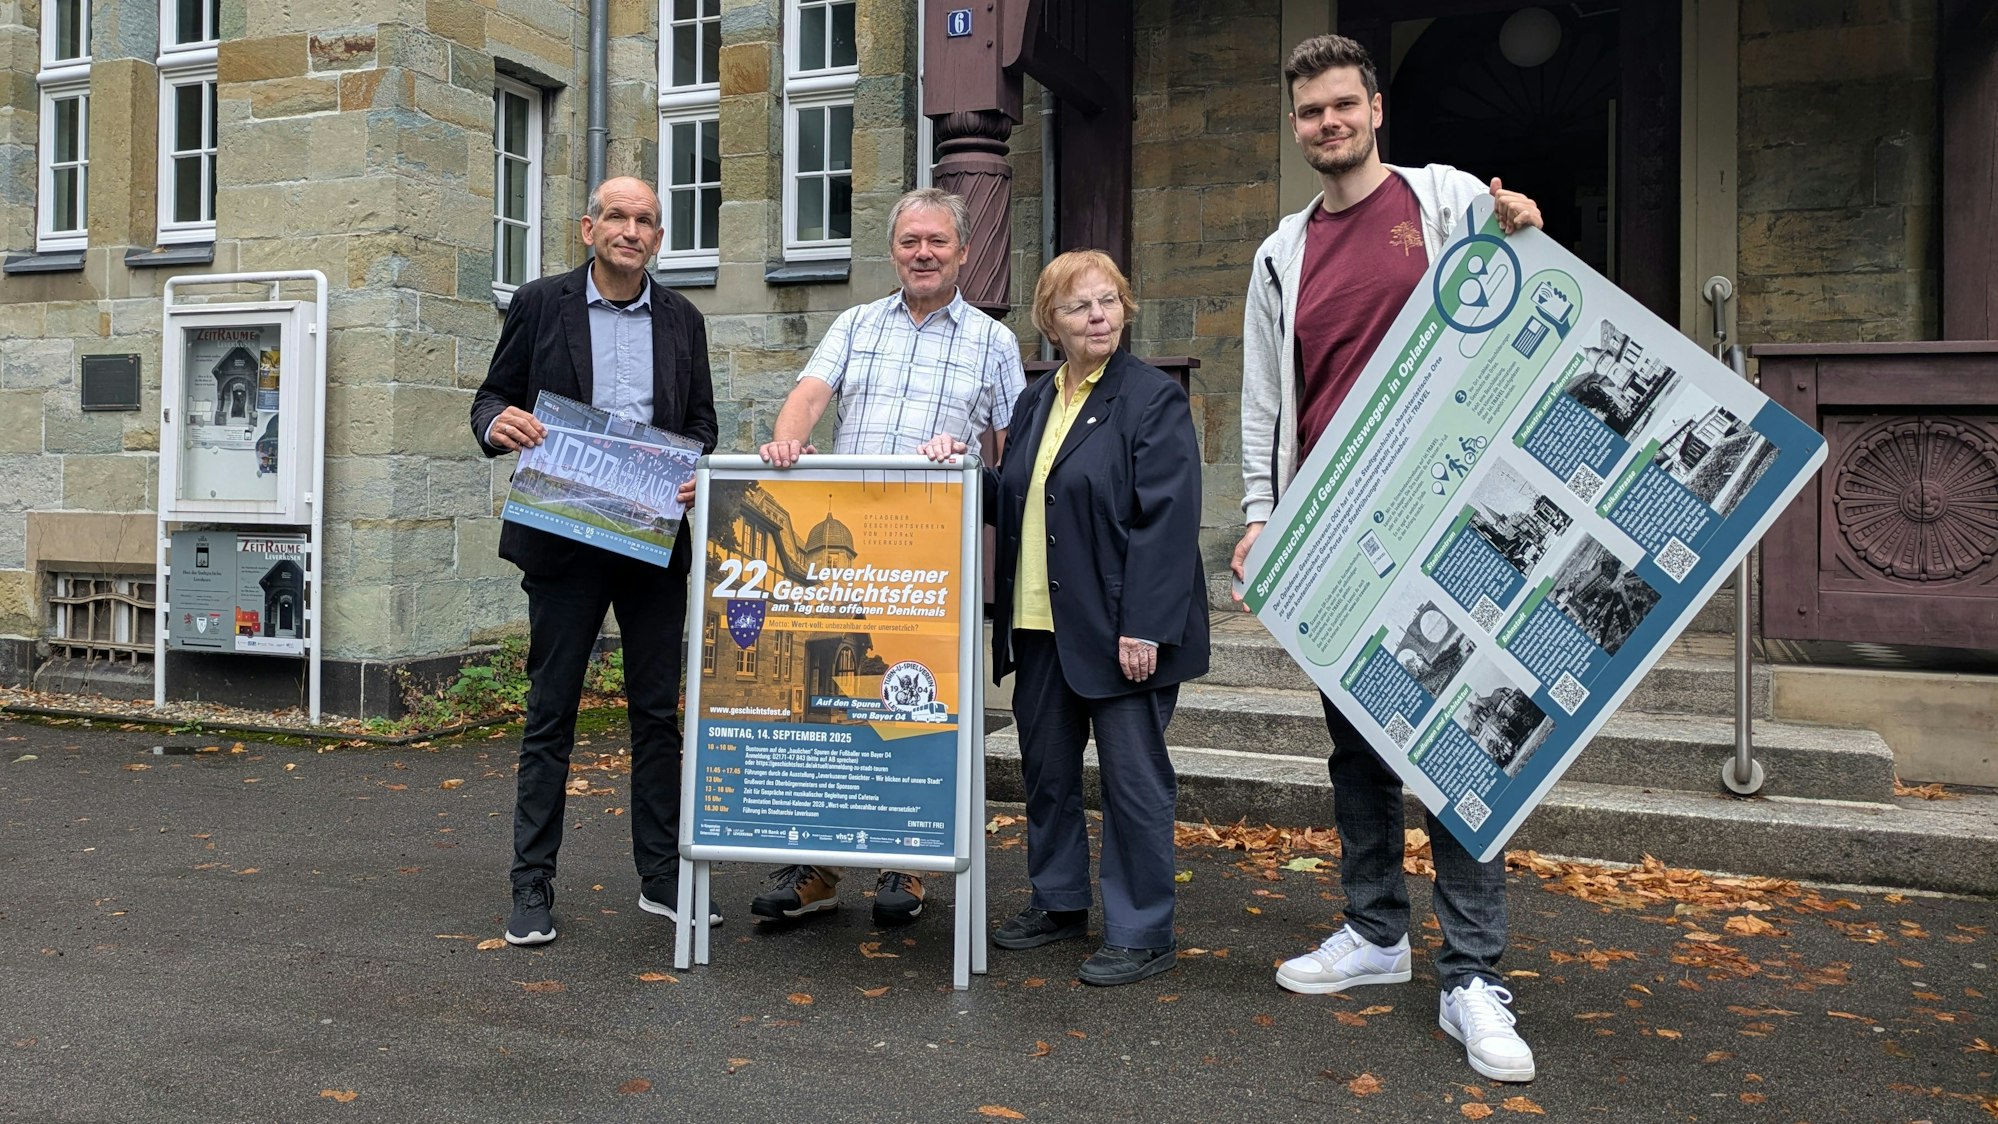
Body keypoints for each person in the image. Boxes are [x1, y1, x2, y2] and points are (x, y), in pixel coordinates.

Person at [1232, 36, 1545, 1081]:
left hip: (1450, 514)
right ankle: (1374, 933)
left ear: (1374, 109)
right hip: (1337, 531)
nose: (1327, 123)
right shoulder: (1282, 253)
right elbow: (1269, 403)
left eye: (1341, 105)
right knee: (1357, 747)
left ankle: (1471, 977)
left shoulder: (1446, 198)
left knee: (1458, 752)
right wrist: (1261, 513)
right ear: (1299, 127)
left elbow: (1519, 283)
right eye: (1309, 112)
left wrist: (1526, 230)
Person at [747, 187, 1027, 928]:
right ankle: (817, 865)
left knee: (914, 700)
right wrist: (787, 439)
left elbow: (1017, 445)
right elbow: (809, 396)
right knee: (830, 699)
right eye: (910, 242)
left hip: (932, 561)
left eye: (937, 242)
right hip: (848, 556)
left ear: (963, 252)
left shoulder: (992, 343)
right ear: (894, 250)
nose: (923, 254)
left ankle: (907, 855)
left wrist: (968, 457)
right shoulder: (856, 323)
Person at [928, 249, 1206, 986]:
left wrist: (1145, 625)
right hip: (1040, 626)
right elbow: (1020, 500)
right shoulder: (1038, 399)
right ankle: (1057, 902)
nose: (1098, 316)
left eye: (1109, 301)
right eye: (1080, 306)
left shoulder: (1150, 399)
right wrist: (961, 472)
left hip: (1121, 633)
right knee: (1047, 775)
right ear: (1050, 321)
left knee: (1132, 784)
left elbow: (1168, 522)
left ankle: (1143, 929)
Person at [471, 176, 720, 946]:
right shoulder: (542, 303)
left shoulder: (684, 320)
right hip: (564, 537)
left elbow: (703, 425)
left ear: (658, 239)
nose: (631, 230)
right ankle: (532, 886)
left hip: (651, 543)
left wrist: (697, 467)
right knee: (551, 714)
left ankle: (661, 878)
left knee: (656, 716)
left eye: (646, 220)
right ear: (589, 227)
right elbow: (490, 399)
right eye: (617, 216)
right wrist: (497, 426)